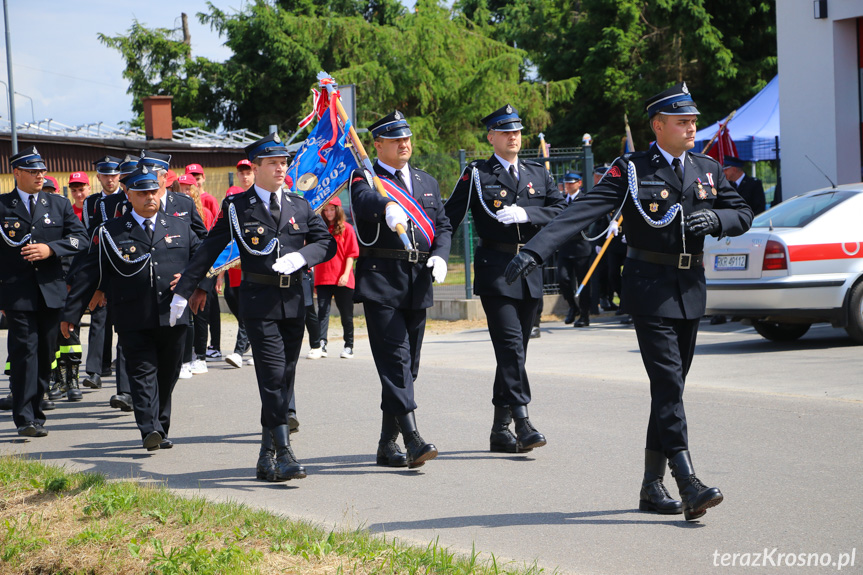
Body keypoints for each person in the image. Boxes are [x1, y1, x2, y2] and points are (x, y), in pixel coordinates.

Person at [505, 82, 754, 520]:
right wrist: (534, 249)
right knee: (669, 386)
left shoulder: (706, 167)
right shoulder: (632, 169)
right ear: (658, 126)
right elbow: (580, 211)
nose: (692, 126)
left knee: (669, 391)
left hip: (690, 289)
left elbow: (744, 214)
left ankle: (650, 487)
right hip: (649, 289)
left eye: (693, 120)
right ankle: (687, 481)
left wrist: (718, 217)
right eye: (682, 121)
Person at [172, 133, 335, 482]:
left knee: (284, 377)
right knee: (273, 375)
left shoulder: (300, 204)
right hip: (259, 304)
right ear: (257, 167)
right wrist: (184, 291)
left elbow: (326, 242)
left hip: (294, 301)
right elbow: (207, 250)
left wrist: (300, 257)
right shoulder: (236, 207)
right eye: (273, 163)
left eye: (284, 162)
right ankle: (285, 451)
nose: (281, 168)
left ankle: (265, 455)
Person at [444, 104, 564, 454]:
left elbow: (562, 211)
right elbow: (450, 215)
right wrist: (432, 253)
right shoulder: (478, 174)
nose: (513, 136)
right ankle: (523, 422)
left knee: (516, 352)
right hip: (497, 269)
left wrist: (528, 212)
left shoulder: (538, 173)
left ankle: (500, 429)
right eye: (505, 131)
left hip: (530, 269)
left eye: (517, 131)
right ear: (491, 137)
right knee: (511, 346)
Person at [62, 167, 204, 451]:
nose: (150, 197)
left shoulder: (179, 226)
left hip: (173, 315)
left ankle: (161, 427)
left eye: (153, 191)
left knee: (168, 374)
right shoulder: (111, 231)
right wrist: (71, 313)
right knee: (142, 373)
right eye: (142, 193)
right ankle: (148, 428)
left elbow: (203, 259)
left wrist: (196, 282)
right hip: (132, 315)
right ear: (128, 194)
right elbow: (90, 273)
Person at [350, 110, 452, 469]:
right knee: (396, 363)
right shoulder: (365, 177)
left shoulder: (426, 181)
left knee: (409, 369)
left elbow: (443, 224)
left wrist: (440, 255)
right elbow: (363, 202)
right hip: (382, 281)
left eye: (406, 138)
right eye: (395, 140)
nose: (404, 144)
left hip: (418, 282)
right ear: (378, 144)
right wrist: (387, 205)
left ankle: (385, 443)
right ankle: (412, 438)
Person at [0, 146, 87, 437]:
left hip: (51, 292)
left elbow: (81, 240)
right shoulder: (2, 205)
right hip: (17, 294)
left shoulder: (58, 204)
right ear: (17, 173)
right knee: (24, 351)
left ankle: (36, 412)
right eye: (33, 171)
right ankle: (24, 418)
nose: (40, 175)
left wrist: (51, 249)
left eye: (42, 171)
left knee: (45, 354)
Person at [79, 156, 123, 392]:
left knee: (121, 319)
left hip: (125, 265)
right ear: (98, 177)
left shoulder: (129, 198)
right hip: (101, 264)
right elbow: (88, 236)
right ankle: (95, 370)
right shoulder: (92, 203)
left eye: (114, 174)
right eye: (105, 175)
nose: (110, 179)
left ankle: (115, 370)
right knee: (99, 316)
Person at [176, 174, 215, 376]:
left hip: (202, 267)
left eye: (188, 188)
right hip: (183, 268)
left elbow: (209, 241)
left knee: (200, 314)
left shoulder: (206, 212)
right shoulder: (174, 210)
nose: (185, 192)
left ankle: (200, 356)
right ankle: (185, 356)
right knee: (184, 315)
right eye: (181, 188)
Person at [184, 163, 223, 361]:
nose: (196, 180)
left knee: (210, 307)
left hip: (207, 262)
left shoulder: (209, 202)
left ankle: (213, 345)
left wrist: (216, 272)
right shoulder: (178, 206)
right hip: (189, 264)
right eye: (192, 176)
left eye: (198, 176)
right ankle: (191, 349)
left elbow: (214, 234)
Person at [314, 195, 358, 359]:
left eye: (332, 209)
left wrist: (346, 274)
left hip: (342, 278)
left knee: (346, 314)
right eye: (326, 210)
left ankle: (349, 345)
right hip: (323, 277)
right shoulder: (320, 230)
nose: (329, 213)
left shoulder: (347, 228)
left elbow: (351, 255)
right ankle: (322, 344)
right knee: (322, 312)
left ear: (338, 210)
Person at [555, 172, 594, 327]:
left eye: (571, 183)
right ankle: (573, 306)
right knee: (562, 278)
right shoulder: (562, 200)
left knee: (583, 282)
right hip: (565, 246)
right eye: (566, 183)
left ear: (579, 183)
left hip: (581, 246)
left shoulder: (584, 199)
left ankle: (584, 315)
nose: (568, 186)